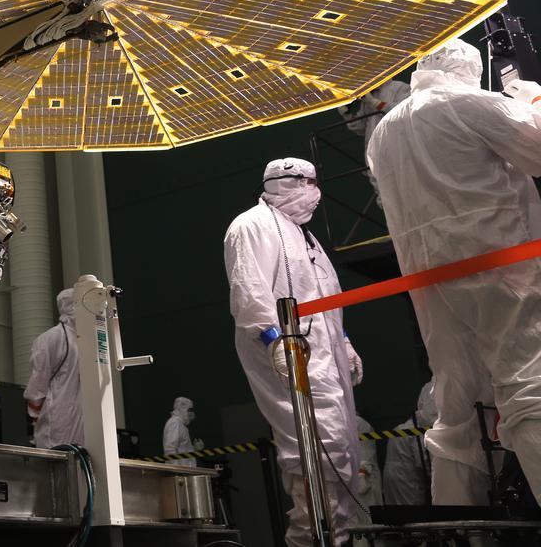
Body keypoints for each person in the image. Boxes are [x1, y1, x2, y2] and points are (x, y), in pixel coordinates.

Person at [367, 37, 541, 505]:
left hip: (429, 282)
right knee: (529, 382)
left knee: (457, 406)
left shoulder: (384, 131)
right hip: (499, 265)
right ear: (468, 67)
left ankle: (462, 526)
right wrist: (532, 99)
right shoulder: (465, 102)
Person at [224, 157, 362, 547]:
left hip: (323, 352)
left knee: (343, 447)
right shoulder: (251, 226)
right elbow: (249, 291)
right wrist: (276, 342)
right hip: (284, 350)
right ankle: (311, 537)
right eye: (307, 184)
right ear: (283, 183)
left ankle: (338, 535)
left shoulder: (306, 237)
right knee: (315, 448)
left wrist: (345, 341)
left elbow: (320, 295)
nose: (314, 194)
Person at [24, 288, 84, 450]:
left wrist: (35, 415)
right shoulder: (57, 338)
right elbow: (38, 388)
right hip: (61, 428)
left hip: (60, 426)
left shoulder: (52, 339)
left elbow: (36, 389)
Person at [384, 381, 436, 505]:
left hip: (394, 480)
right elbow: (423, 463)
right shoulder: (416, 431)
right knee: (412, 517)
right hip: (407, 482)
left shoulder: (404, 427)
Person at [352, 415, 383, 525]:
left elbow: (366, 454)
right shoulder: (351, 422)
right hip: (356, 477)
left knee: (370, 522)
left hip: (364, 478)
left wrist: (362, 473)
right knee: (359, 524)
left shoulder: (357, 423)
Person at [163, 397, 203, 466]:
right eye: (189, 410)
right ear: (182, 408)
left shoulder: (182, 425)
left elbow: (183, 450)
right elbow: (170, 449)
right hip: (180, 472)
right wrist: (176, 471)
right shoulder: (175, 423)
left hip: (185, 471)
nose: (191, 413)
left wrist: (194, 449)